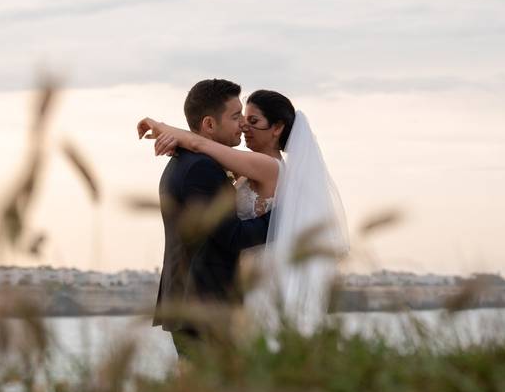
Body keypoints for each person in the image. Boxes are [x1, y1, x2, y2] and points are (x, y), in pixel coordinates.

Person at [138, 89, 348, 335]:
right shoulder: (248, 167)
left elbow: (200, 142)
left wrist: (162, 127)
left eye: (254, 121)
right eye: (243, 119)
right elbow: (204, 145)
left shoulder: (269, 166)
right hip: (242, 281)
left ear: (277, 128)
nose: (244, 127)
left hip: (261, 281)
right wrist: (177, 141)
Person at [148, 79, 272, 357]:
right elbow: (233, 237)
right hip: (203, 305)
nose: (242, 123)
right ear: (209, 125)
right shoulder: (201, 169)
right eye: (235, 116)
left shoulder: (190, 160)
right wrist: (282, 217)